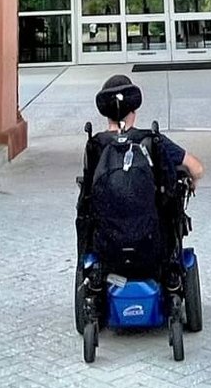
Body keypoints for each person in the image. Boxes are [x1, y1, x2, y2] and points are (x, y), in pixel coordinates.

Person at [86, 75, 204, 279]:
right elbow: (197, 168)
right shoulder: (152, 141)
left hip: (107, 246)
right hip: (152, 245)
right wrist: (191, 181)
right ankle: (172, 283)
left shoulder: (96, 145)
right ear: (133, 110)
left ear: (106, 113)